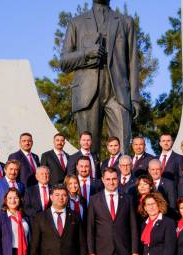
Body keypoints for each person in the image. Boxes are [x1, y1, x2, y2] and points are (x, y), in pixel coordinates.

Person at [60, 0, 140, 155]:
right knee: (88, 151)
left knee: (122, 149)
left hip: (118, 92)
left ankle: (123, 179)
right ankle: (91, 180)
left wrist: (135, 97)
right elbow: (64, 62)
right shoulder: (76, 23)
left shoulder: (125, 22)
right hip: (86, 92)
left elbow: (133, 62)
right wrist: (87, 52)